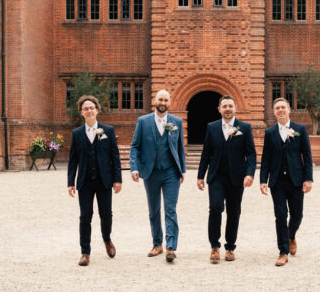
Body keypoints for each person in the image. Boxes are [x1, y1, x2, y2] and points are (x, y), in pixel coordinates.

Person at [197, 95, 255, 263]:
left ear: (235, 108)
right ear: (219, 109)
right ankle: (214, 246)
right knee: (215, 208)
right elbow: (206, 153)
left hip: (237, 177)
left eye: (230, 106)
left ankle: (230, 247)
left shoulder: (244, 127)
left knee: (234, 211)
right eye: (225, 106)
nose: (228, 109)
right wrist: (201, 175)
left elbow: (250, 153)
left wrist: (249, 174)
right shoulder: (212, 127)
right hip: (216, 176)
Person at [130, 89, 185, 262]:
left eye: (166, 100)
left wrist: (182, 170)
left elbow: (180, 147)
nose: (163, 103)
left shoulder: (176, 121)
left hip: (171, 172)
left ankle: (170, 247)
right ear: (155, 100)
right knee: (154, 210)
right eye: (160, 99)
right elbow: (135, 146)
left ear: (170, 102)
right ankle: (157, 244)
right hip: (150, 171)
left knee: (170, 210)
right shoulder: (143, 121)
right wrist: (134, 168)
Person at [67, 95, 122, 267]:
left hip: (104, 180)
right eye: (86, 108)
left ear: (97, 110)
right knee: (85, 217)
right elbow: (73, 160)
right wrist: (70, 182)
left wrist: (117, 179)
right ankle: (85, 252)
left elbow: (115, 157)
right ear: (81, 113)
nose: (89, 110)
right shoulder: (77, 134)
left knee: (106, 215)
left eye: (92, 108)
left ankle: (107, 240)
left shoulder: (108, 130)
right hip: (85, 182)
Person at [259, 97, 313, 267]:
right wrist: (263, 180)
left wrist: (308, 178)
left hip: (296, 179)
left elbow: (307, 156)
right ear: (274, 112)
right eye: (277, 108)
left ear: (289, 110)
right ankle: (283, 251)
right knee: (280, 216)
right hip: (277, 181)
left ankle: (291, 236)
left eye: (283, 107)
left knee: (297, 214)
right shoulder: (269, 133)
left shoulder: (300, 129)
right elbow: (266, 158)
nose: (280, 110)